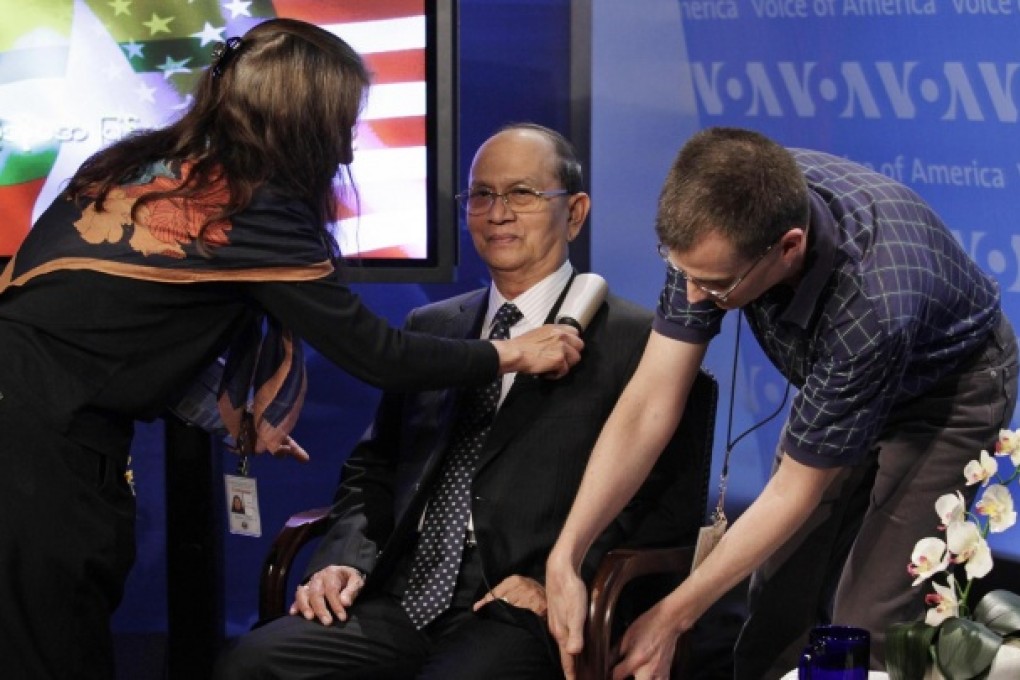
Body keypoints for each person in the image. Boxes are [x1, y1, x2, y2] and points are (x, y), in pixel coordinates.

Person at [0, 21, 582, 680]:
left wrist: (221, 414)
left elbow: (101, 329)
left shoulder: (141, 165)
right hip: (38, 457)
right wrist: (511, 354)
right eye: (342, 122)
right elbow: (380, 355)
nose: (347, 149)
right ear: (304, 119)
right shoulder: (257, 202)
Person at [213, 123, 695, 680]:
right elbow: (375, 466)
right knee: (251, 664)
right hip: (399, 593)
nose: (497, 214)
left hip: (519, 603)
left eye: (522, 194)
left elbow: (661, 499)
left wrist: (562, 575)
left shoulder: (635, 340)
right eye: (482, 196)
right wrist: (342, 557)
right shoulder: (431, 326)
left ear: (576, 211)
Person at [546, 126, 1018, 680]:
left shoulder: (870, 303)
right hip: (841, 370)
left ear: (788, 247)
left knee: (864, 624)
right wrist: (567, 552)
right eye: (684, 274)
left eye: (716, 285)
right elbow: (651, 399)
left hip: (946, 395)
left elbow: (797, 488)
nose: (696, 297)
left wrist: (671, 617)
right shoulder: (722, 218)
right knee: (778, 608)